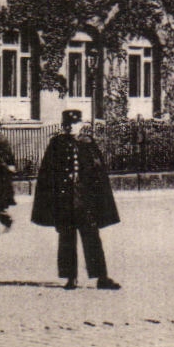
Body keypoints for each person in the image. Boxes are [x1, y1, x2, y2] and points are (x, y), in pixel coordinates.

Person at [32, 109, 121, 291]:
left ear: (81, 125)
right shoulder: (56, 144)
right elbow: (47, 173)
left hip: (85, 201)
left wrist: (96, 197)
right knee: (66, 238)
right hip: (65, 200)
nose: (71, 127)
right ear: (63, 125)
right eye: (68, 124)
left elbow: (98, 172)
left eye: (75, 123)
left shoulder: (88, 143)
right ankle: (70, 277)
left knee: (92, 238)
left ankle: (101, 277)